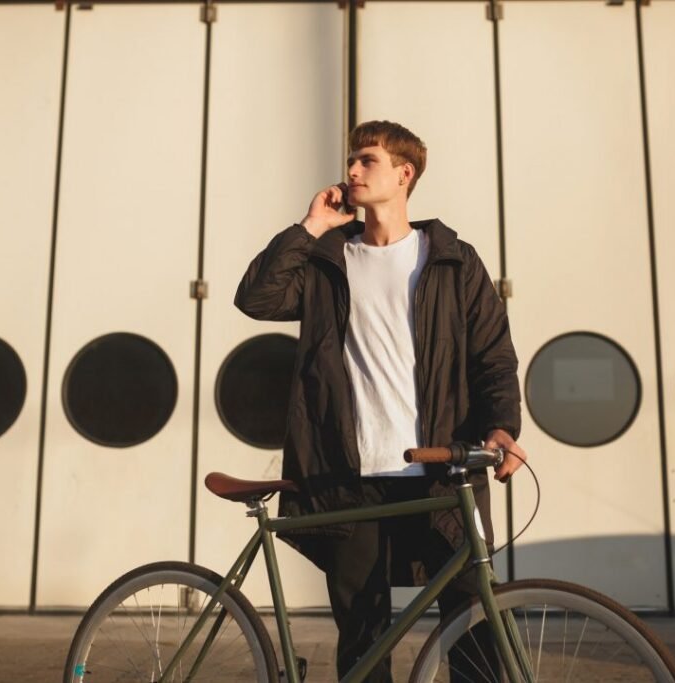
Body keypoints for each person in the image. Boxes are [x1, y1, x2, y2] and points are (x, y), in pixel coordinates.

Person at [235, 120, 527, 681]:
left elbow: (493, 356)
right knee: (364, 638)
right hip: (350, 476)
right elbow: (256, 298)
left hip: (442, 472)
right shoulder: (327, 261)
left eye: (366, 160)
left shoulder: (453, 260)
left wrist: (502, 427)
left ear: (404, 173)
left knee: (472, 624)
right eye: (351, 161)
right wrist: (312, 224)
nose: (351, 171)